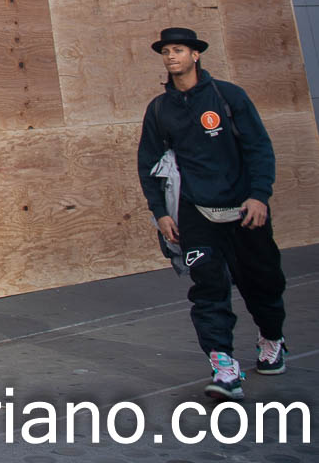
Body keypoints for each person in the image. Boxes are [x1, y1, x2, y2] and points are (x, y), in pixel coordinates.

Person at [136, 27, 287, 402]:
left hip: (243, 212)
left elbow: (259, 149)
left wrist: (259, 196)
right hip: (195, 214)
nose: (171, 57)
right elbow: (149, 163)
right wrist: (161, 213)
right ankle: (224, 367)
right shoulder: (159, 109)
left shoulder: (228, 97)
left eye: (178, 50)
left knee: (262, 285)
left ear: (195, 55)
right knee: (208, 292)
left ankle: (272, 339)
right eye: (166, 51)